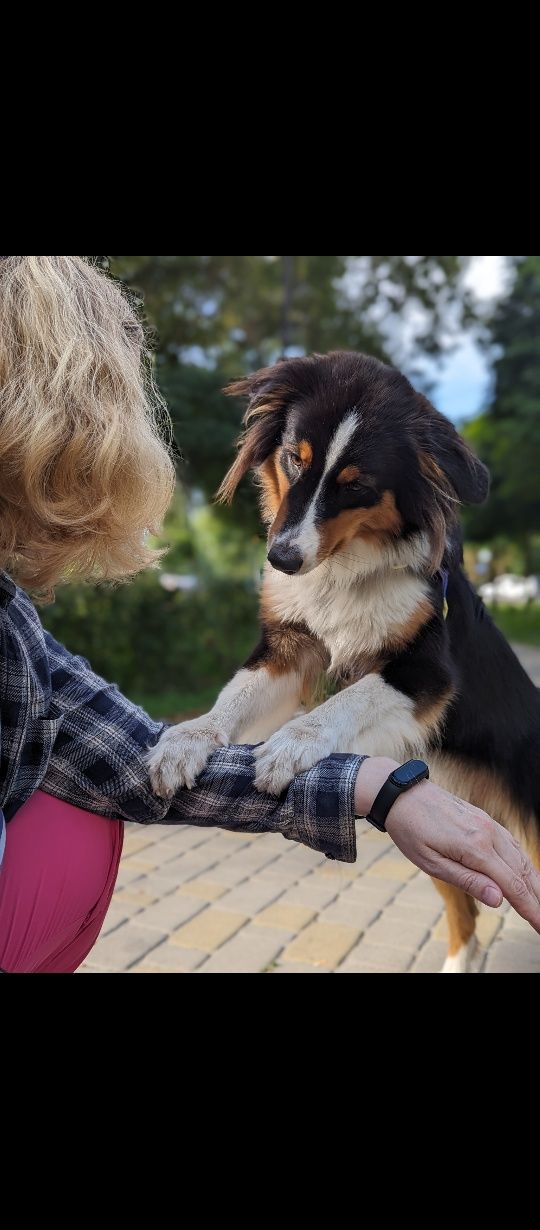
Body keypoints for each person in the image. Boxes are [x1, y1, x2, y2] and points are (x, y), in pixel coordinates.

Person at [0, 255, 539, 976]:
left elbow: (420, 684)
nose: (292, 536)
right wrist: (216, 725)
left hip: (498, 742)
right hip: (411, 758)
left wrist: (338, 754)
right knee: (449, 857)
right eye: (294, 465)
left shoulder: (417, 572)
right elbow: (283, 659)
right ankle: (463, 945)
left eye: (350, 491)